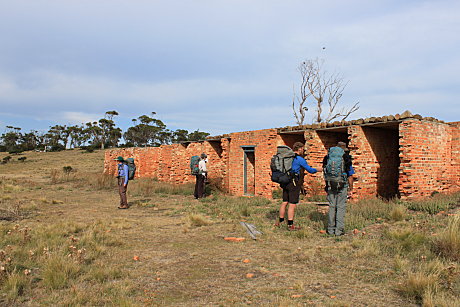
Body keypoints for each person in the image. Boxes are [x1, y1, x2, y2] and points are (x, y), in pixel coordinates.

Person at [275, 142, 320, 231]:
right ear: (299, 149)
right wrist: (319, 169)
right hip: (293, 183)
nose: (304, 150)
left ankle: (280, 222)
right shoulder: (299, 159)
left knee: (285, 202)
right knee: (292, 204)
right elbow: (310, 170)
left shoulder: (286, 158)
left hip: (285, 181)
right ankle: (290, 225)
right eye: (303, 149)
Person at [323, 142, 355, 236]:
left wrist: (327, 184)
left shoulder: (328, 157)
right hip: (342, 184)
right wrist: (351, 188)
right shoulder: (346, 158)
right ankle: (339, 231)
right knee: (340, 207)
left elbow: (325, 172)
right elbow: (350, 176)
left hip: (330, 184)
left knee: (332, 206)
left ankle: (330, 229)